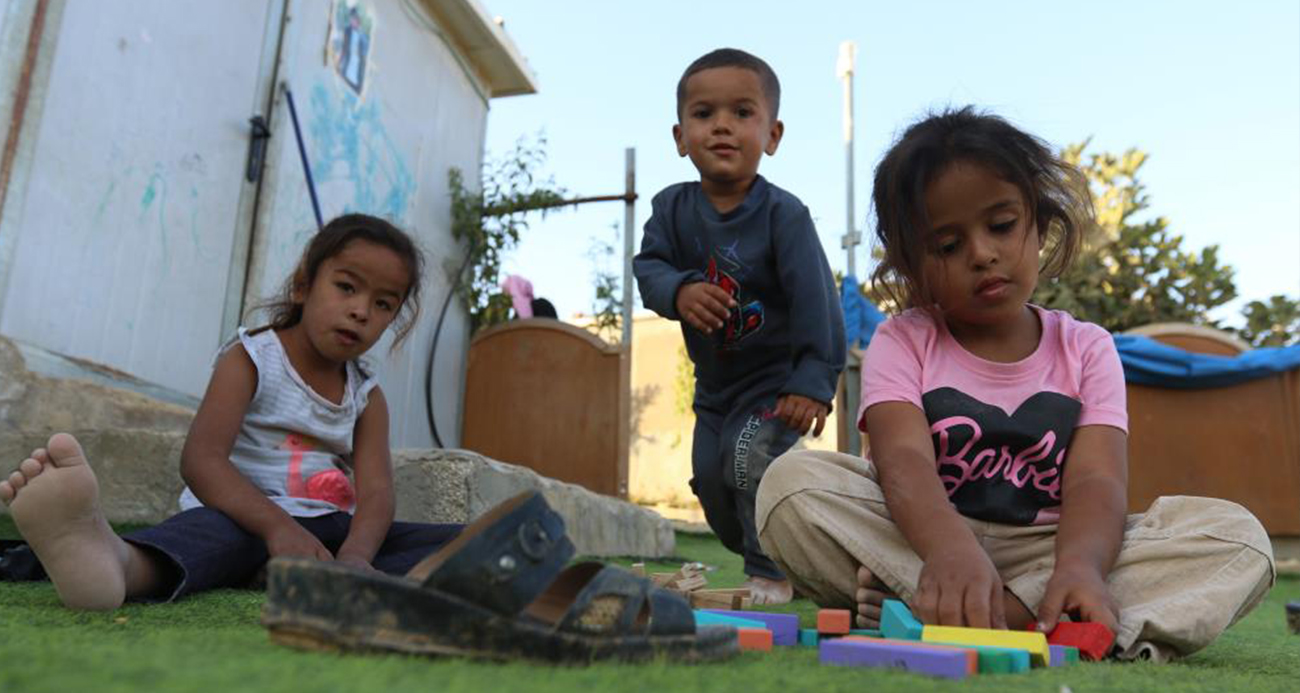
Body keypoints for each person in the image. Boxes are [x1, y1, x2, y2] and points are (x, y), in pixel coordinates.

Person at [754, 107, 1274, 661]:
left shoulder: (1088, 347)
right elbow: (902, 459)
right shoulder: (903, 340)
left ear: (1040, 224)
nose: (982, 253)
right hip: (921, 539)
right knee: (790, 485)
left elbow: (1096, 482)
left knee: (1238, 539)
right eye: (948, 246)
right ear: (911, 265)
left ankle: (957, 611)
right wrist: (949, 549)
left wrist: (1079, 565)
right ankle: (1046, 622)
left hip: (1052, 552)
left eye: (1000, 226)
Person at [0, 214, 461, 610]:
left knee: (446, 541)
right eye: (346, 287)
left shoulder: (367, 397)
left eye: (383, 304)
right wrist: (278, 529)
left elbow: (377, 494)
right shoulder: (252, 358)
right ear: (303, 286)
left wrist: (356, 557)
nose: (362, 311)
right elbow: (202, 462)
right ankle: (115, 564)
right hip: (245, 518)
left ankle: (408, 578)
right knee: (210, 535)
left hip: (327, 535)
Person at [634, 48, 846, 605]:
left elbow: (817, 302)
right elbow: (648, 268)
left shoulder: (785, 216)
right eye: (704, 114)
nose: (722, 125)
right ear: (680, 137)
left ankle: (769, 577)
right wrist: (678, 290)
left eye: (742, 113)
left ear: (772, 135)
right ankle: (778, 552)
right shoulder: (670, 210)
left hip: (775, 385)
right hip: (716, 391)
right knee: (712, 480)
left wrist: (812, 383)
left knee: (748, 460)